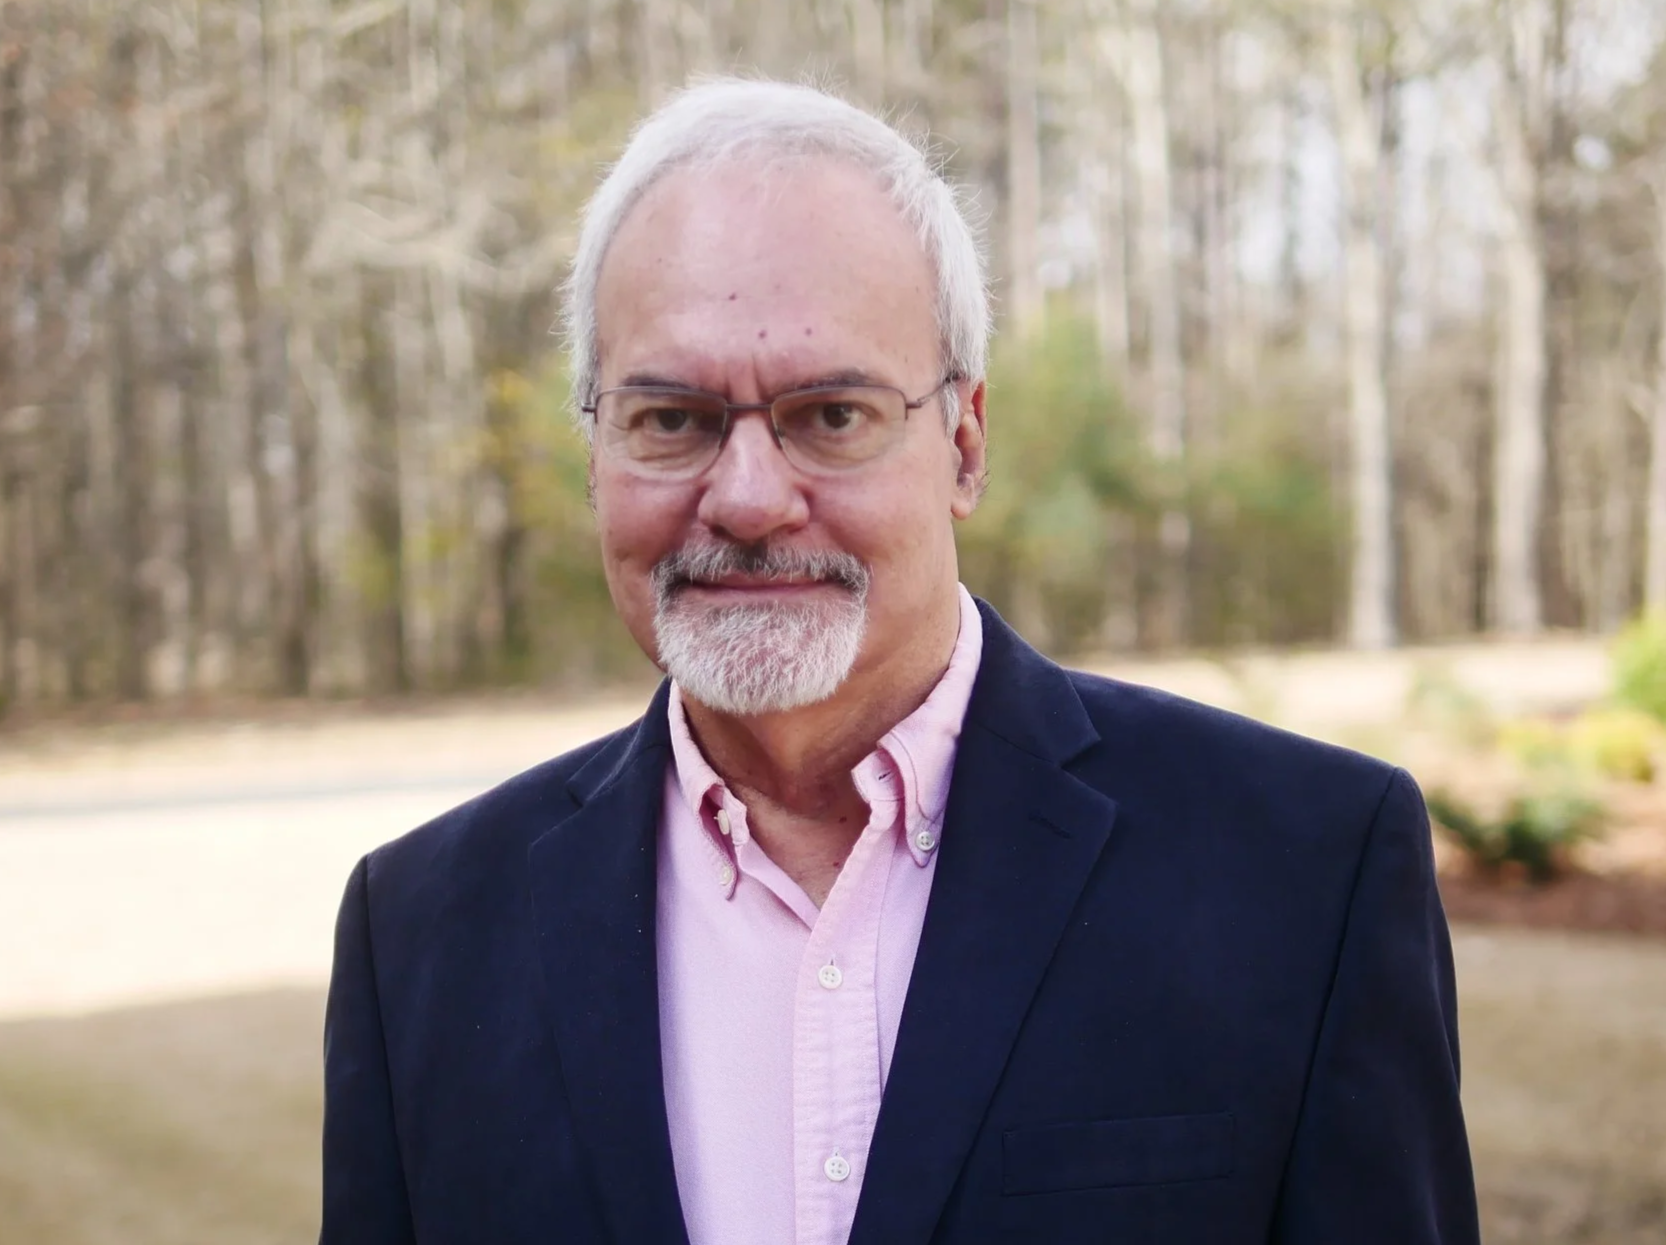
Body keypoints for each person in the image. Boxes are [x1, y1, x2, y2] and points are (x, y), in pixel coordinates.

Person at [319, 78, 1479, 1245]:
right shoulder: (422, 936)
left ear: (965, 444)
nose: (751, 496)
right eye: (671, 418)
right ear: (596, 453)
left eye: (832, 415)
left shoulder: (1302, 874)